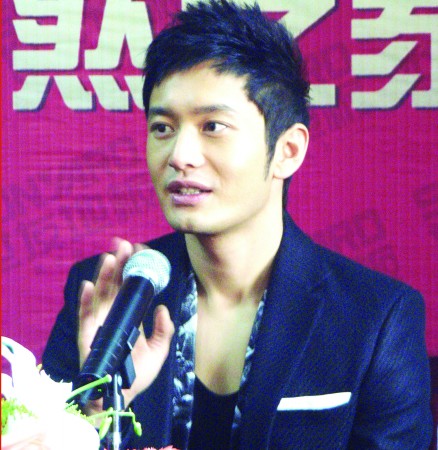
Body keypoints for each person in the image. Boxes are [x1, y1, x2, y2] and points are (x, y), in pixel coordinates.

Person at [42, 1, 433, 448]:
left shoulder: (375, 317)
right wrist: (98, 411)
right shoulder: (109, 297)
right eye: (163, 127)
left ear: (287, 151)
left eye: (212, 126)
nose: (180, 155)